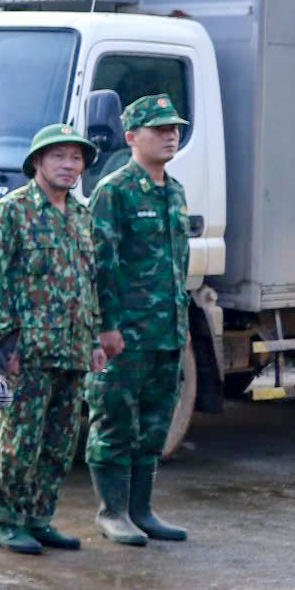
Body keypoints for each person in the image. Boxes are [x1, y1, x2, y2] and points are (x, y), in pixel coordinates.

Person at [0, 123, 106, 555]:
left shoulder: (83, 216)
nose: (69, 166)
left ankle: (39, 516)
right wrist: (5, 346)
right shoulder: (12, 212)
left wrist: (94, 341)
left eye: (76, 158)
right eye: (59, 157)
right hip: (28, 350)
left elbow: (90, 283)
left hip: (72, 347)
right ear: (37, 162)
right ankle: (6, 518)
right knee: (20, 437)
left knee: (60, 440)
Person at [86, 95, 194, 546]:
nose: (170, 135)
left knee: (154, 424)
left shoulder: (174, 190)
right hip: (126, 334)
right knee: (114, 420)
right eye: (159, 129)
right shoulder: (114, 191)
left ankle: (142, 509)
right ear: (131, 137)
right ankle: (112, 512)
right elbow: (101, 266)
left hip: (167, 333)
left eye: (174, 128)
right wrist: (107, 327)